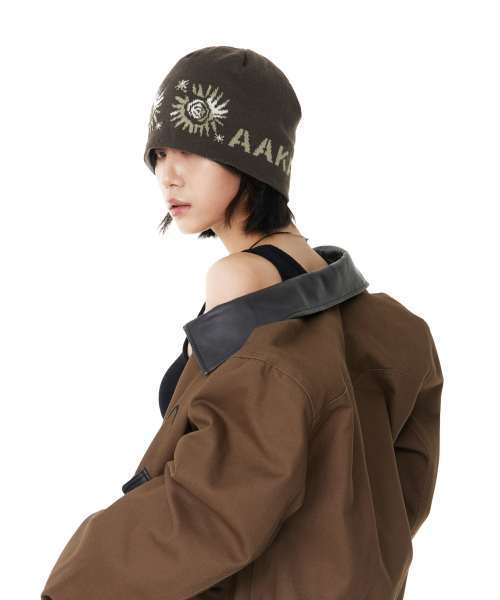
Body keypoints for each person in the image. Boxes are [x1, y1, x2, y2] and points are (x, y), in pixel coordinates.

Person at [41, 46, 443, 600]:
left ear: (254, 157)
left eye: (191, 149)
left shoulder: (237, 281)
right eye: (159, 153)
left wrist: (79, 576)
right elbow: (404, 488)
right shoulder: (391, 325)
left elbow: (216, 506)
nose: (167, 174)